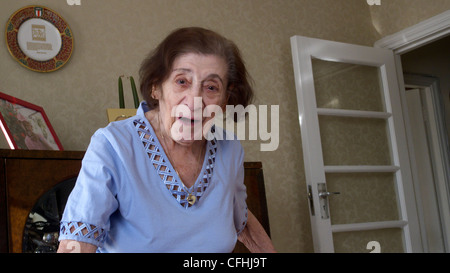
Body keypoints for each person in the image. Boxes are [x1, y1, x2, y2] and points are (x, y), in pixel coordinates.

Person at [57, 27, 275, 253]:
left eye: (211, 87)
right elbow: (77, 243)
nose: (195, 101)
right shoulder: (112, 146)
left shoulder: (229, 149)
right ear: (156, 87)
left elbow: (241, 220)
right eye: (182, 81)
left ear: (224, 101)